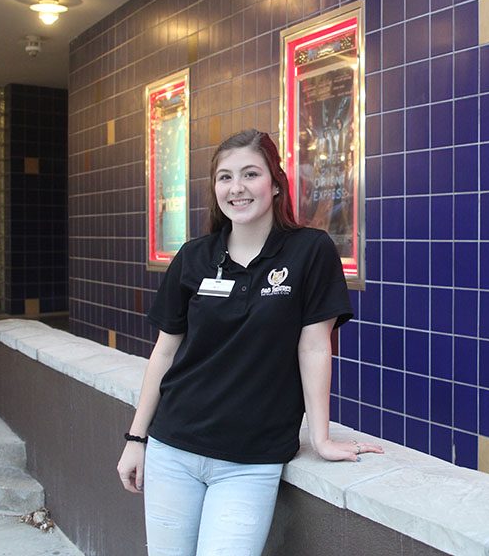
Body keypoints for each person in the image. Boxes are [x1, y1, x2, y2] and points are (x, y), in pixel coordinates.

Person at [117, 129, 383, 556]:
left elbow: (314, 347)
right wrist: (136, 439)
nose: (236, 188)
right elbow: (165, 351)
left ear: (275, 183)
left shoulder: (310, 252)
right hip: (172, 448)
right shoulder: (194, 256)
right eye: (225, 177)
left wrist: (321, 438)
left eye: (249, 174)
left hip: (250, 460)